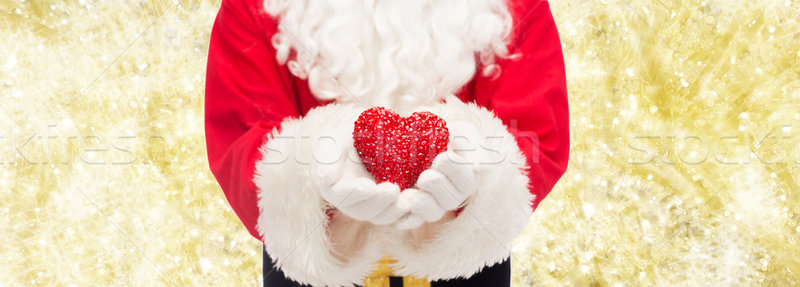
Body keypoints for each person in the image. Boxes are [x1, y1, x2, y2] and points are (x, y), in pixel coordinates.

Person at [204, 0, 570, 285]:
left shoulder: (518, 6)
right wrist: (316, 171)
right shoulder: (252, 7)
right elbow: (239, 136)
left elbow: (536, 134)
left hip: (464, 269)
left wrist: (476, 175)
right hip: (314, 268)